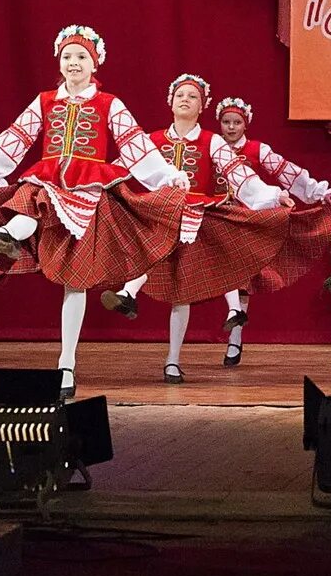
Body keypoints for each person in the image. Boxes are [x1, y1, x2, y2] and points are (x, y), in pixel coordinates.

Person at [0, 26, 190, 398]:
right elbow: (15, 140)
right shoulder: (45, 101)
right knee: (34, 192)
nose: (73, 63)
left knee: (75, 281)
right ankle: (8, 236)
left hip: (88, 194)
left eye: (81, 57)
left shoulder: (109, 104)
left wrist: (168, 175)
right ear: (59, 62)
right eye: (67, 56)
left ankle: (66, 362)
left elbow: (136, 146)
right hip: (50, 180)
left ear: (94, 62)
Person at [102, 75, 290, 382]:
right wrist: (93, 182)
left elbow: (237, 172)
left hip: (197, 218)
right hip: (162, 214)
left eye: (192, 96)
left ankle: (169, 355)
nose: (185, 99)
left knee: (182, 292)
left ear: (202, 106)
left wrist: (270, 195)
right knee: (159, 246)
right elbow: (121, 166)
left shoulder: (212, 141)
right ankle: (131, 295)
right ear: (170, 102)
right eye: (180, 95)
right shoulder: (152, 141)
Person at [212, 95, 331, 367]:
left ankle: (235, 336)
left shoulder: (258, 150)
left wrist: (317, 192)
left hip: (248, 221)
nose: (231, 127)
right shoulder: (213, 148)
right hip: (217, 218)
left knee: (241, 277)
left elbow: (287, 172)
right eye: (226, 122)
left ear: (246, 125)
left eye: (236, 122)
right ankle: (231, 324)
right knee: (226, 274)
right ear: (219, 124)